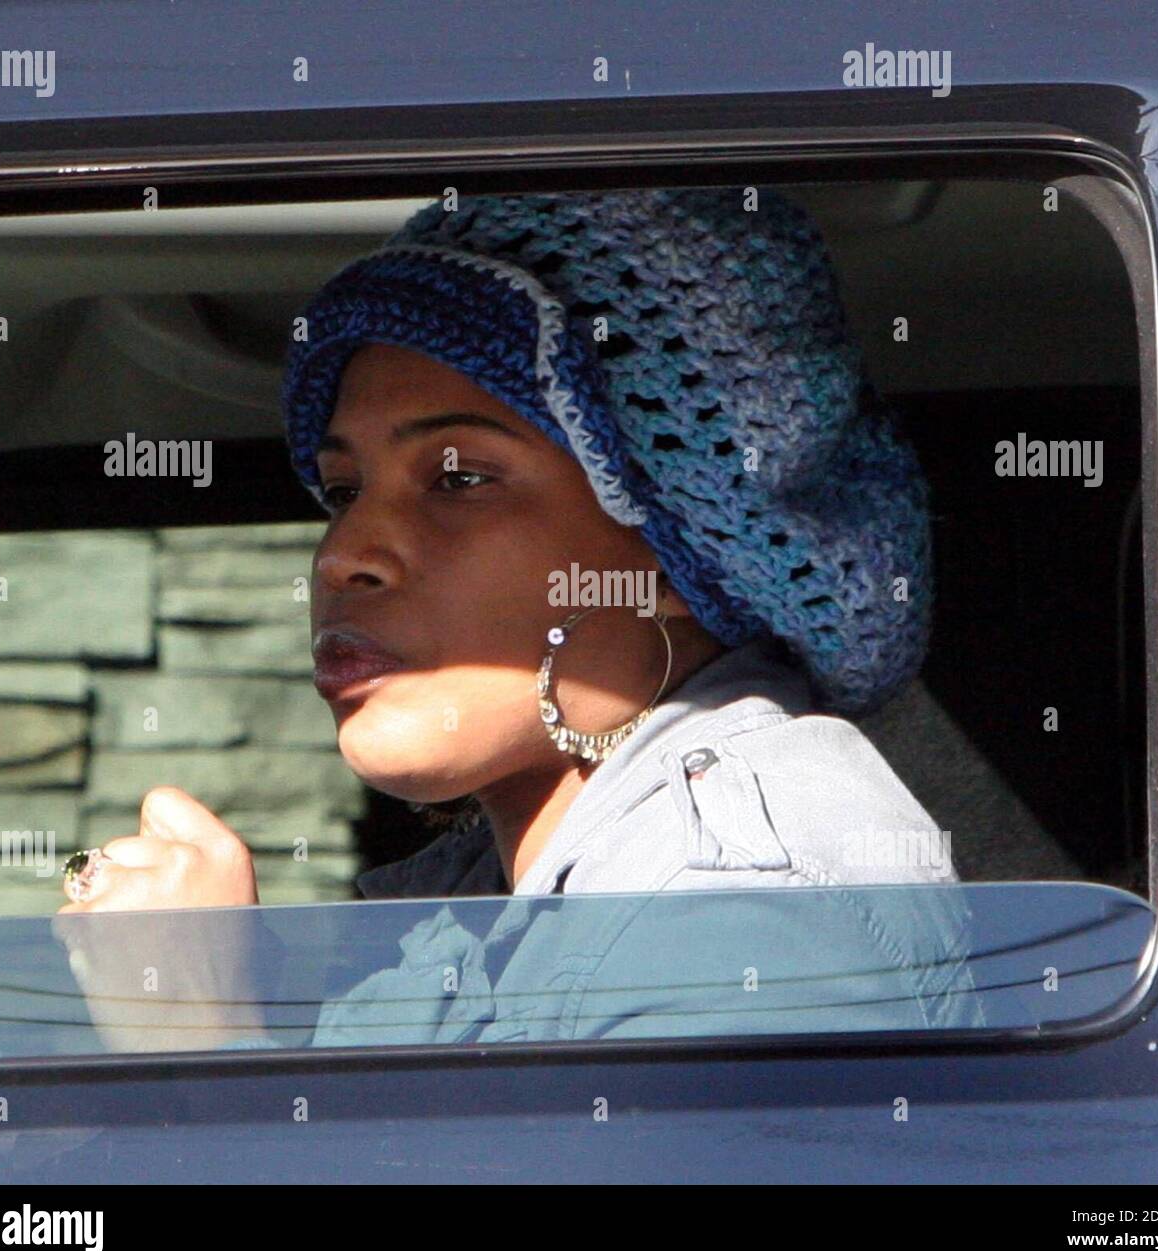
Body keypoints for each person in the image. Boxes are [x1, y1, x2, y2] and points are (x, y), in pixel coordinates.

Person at [53, 186, 985, 1050]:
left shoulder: (737, 910)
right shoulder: (505, 894)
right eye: (342, 491)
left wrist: (201, 1040)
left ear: (675, 545)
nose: (342, 557)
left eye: (459, 478)